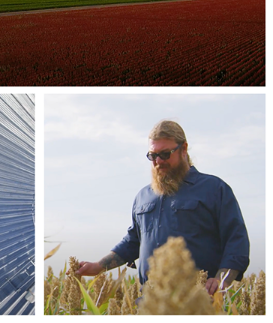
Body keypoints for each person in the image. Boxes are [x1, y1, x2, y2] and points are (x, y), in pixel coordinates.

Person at [75, 120, 249, 296]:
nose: (158, 161)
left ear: (183, 149)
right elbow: (133, 241)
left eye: (165, 154)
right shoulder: (143, 196)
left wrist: (221, 279)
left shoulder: (214, 189)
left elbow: (236, 240)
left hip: (199, 299)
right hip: (150, 299)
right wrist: (98, 266)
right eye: (152, 156)